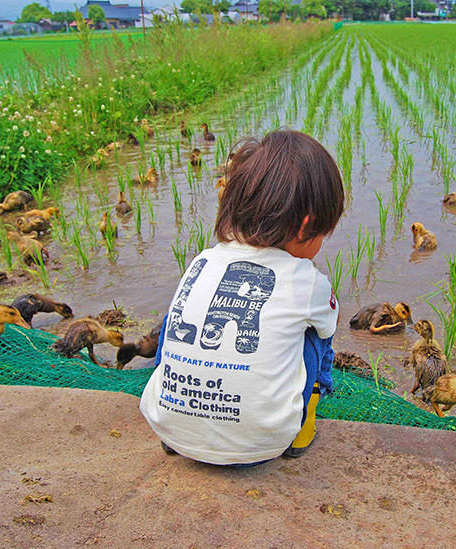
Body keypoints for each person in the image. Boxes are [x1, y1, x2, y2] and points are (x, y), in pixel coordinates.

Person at [140, 129, 345, 466]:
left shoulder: (203, 261)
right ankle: (304, 425)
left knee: (179, 319)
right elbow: (326, 332)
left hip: (169, 430)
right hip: (261, 446)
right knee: (317, 328)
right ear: (306, 226)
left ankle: (179, 417)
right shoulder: (306, 280)